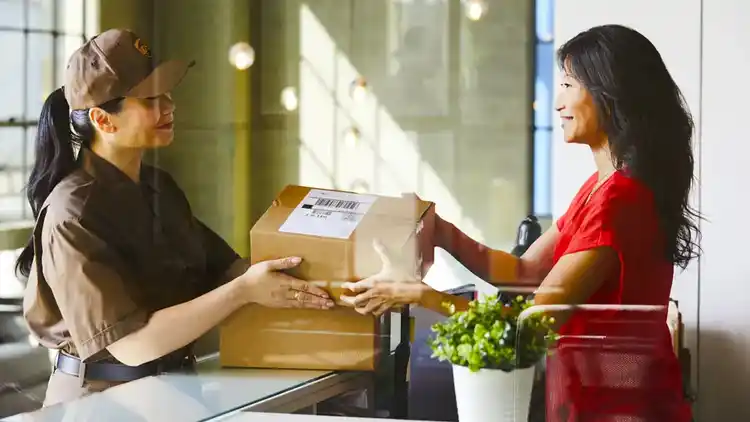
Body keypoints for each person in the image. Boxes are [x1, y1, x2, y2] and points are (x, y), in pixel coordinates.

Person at [342, 24, 698, 421]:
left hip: (621, 410)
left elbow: (528, 330)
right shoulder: (600, 188)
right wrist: (441, 230)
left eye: (568, 84)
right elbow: (524, 272)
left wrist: (419, 294)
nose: (557, 102)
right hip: (596, 403)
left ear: (610, 94)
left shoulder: (620, 200)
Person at [16, 28, 334, 407]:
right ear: (103, 120)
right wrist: (244, 290)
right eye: (150, 99)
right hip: (101, 402)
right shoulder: (72, 213)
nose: (169, 106)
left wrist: (328, 275)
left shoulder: (158, 187)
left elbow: (228, 269)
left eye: (167, 94)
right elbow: (132, 345)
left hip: (175, 390)